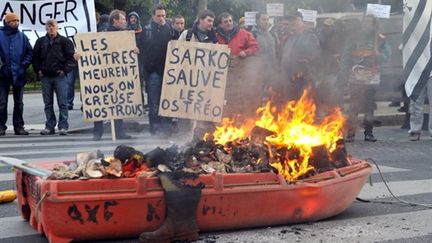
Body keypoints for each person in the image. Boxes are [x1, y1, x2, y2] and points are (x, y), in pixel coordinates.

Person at [339, 15, 391, 142]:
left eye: (370, 22)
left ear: (374, 25)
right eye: (365, 22)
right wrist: (343, 72)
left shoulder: (380, 39)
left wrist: (379, 55)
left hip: (371, 76)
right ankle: (351, 132)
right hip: (355, 75)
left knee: (369, 105)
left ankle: (369, 132)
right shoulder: (353, 38)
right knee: (354, 105)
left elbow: (386, 56)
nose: (367, 25)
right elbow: (345, 56)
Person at [91, 9, 136, 141]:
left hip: (115, 74)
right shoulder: (106, 33)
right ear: (115, 20)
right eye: (122, 19)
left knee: (117, 101)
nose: (125, 21)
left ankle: (104, 132)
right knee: (102, 101)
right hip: (104, 73)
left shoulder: (123, 34)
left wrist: (133, 50)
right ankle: (104, 132)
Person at [32, 19, 76, 136]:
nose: (51, 28)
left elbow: (71, 58)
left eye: (53, 26)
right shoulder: (40, 42)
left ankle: (63, 126)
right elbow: (35, 58)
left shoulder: (65, 42)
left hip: (59, 76)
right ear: (46, 28)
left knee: (63, 103)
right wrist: (38, 70)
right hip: (46, 76)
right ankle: (49, 126)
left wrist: (65, 70)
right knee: (48, 104)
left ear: (57, 28)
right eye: (49, 26)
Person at [142, 4, 174, 137]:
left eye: (163, 16)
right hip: (153, 72)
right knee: (154, 103)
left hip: (168, 71)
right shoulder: (146, 30)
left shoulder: (169, 29)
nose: (161, 18)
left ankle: (166, 128)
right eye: (159, 15)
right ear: (153, 16)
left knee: (166, 101)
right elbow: (141, 50)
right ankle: (155, 129)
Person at [0, 12, 33, 136]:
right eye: (13, 21)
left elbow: (29, 53)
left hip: (19, 74)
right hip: (2, 74)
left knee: (19, 102)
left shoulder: (22, 36)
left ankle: (19, 126)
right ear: (7, 22)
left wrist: (23, 66)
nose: (16, 23)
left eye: (17, 21)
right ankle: (0, 126)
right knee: (2, 102)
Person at [280, 11, 321, 100]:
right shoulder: (291, 37)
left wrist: (303, 66)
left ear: (302, 22)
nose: (293, 24)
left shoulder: (310, 37)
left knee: (303, 104)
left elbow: (314, 56)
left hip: (303, 79)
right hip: (289, 78)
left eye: (296, 21)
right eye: (292, 22)